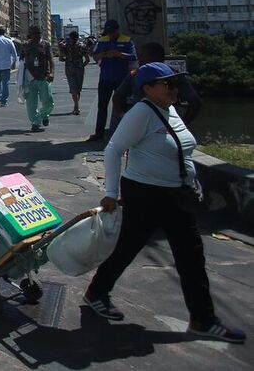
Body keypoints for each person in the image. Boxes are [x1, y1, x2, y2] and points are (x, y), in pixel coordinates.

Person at [84, 63, 246, 344]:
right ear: (147, 89)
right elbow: (113, 150)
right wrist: (110, 192)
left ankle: (202, 319)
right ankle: (97, 293)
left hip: (176, 195)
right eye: (167, 84)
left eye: (175, 83)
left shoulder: (169, 110)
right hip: (146, 194)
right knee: (129, 248)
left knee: (191, 257)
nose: (174, 88)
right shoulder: (141, 113)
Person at [112, 42, 201, 126]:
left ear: (155, 57)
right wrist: (123, 117)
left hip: (167, 124)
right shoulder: (134, 75)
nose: (139, 59)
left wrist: (184, 124)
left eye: (143, 55)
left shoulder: (174, 75)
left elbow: (195, 101)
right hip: (140, 124)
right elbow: (118, 96)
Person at [91, 19, 137, 142]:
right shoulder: (102, 41)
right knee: (102, 106)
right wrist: (104, 54)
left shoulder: (127, 40)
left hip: (121, 79)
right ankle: (99, 133)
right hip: (105, 78)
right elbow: (95, 55)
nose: (110, 35)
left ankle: (123, 133)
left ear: (117, 30)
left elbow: (133, 56)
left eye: (112, 32)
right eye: (108, 32)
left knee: (121, 106)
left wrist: (118, 54)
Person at [19, 25, 54, 132]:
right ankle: (36, 121)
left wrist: (52, 73)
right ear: (30, 34)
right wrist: (20, 80)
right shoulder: (25, 45)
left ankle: (40, 117)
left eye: (38, 33)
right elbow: (21, 63)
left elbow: (51, 60)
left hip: (43, 77)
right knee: (31, 107)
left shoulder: (45, 44)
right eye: (34, 33)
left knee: (48, 102)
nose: (37, 35)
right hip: (30, 79)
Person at [59, 31, 91, 116]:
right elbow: (87, 60)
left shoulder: (65, 46)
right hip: (79, 70)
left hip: (69, 69)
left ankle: (76, 106)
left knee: (74, 89)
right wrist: (82, 66)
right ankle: (76, 106)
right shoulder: (82, 46)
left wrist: (67, 58)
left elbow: (61, 58)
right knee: (77, 89)